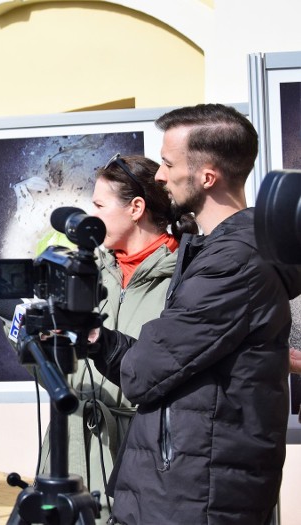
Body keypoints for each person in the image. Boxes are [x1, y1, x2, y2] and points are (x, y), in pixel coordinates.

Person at [89, 103, 301, 524]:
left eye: (168, 163)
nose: (160, 176)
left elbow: (146, 370)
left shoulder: (234, 262)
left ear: (207, 176)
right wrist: (94, 337)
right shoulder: (218, 250)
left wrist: (101, 341)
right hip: (184, 483)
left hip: (194, 494)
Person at [40, 154, 198, 521]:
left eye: (98, 205)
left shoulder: (189, 280)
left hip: (142, 461)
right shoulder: (85, 270)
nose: (90, 215)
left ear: (136, 208)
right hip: (73, 452)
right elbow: (55, 369)